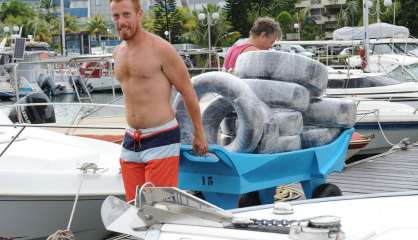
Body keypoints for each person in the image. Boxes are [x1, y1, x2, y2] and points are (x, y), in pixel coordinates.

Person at [109, 0, 208, 201]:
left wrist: (199, 134)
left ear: (139, 14)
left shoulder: (161, 49)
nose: (121, 22)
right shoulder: (118, 52)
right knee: (133, 205)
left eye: (126, 14)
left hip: (161, 137)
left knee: (157, 208)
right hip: (131, 140)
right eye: (116, 16)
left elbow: (188, 92)